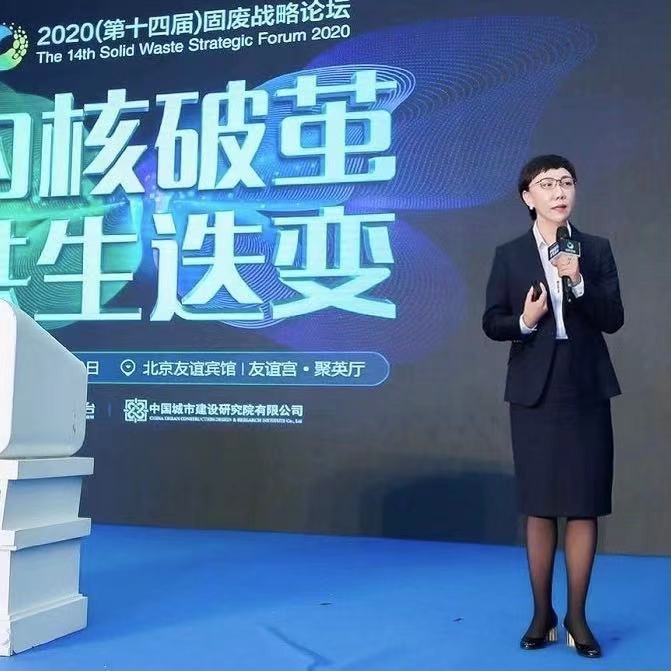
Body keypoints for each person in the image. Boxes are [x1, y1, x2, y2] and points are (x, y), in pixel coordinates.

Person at [482, 154, 624, 658]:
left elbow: (613, 318)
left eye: (566, 182)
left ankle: (577, 618)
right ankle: (541, 614)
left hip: (584, 387)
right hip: (534, 392)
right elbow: (492, 321)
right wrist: (524, 321)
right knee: (540, 506)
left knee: (584, 506)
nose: (560, 191)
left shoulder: (595, 249)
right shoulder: (509, 255)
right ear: (528, 197)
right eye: (548, 184)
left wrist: (579, 281)